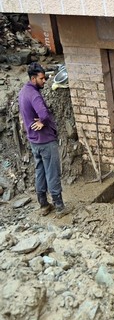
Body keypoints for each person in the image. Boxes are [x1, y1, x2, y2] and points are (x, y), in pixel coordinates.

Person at [18, 62, 68, 216]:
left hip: (34, 141)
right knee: (52, 171)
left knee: (40, 171)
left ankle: (44, 205)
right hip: (45, 140)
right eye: (42, 78)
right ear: (33, 79)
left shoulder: (23, 92)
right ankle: (59, 206)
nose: (44, 81)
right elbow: (43, 113)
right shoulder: (34, 95)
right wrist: (42, 122)